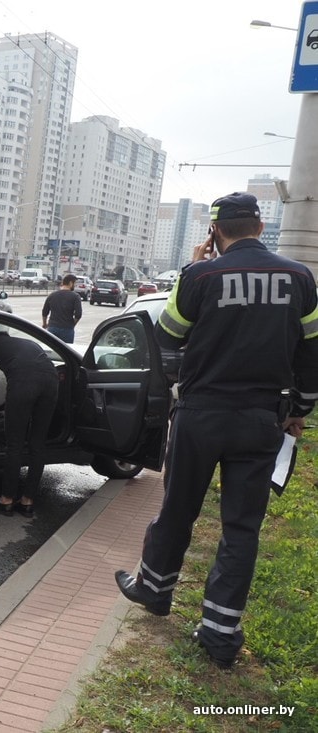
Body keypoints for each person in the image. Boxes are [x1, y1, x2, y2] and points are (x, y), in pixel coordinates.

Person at [114, 192, 318, 669]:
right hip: (262, 417)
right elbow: (312, 351)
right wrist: (301, 409)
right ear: (260, 225)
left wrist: (193, 268)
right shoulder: (300, 277)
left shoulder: (199, 276)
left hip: (202, 414)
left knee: (178, 508)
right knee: (241, 527)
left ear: (215, 231)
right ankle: (221, 633)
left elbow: (165, 337)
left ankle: (154, 589)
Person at [0, 330, 60, 517]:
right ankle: (27, 502)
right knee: (37, 445)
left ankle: (6, 500)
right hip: (51, 382)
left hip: (24, 383)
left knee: (14, 444)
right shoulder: (27, 343)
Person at [41, 273, 82, 343]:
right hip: (67, 329)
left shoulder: (52, 295)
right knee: (65, 351)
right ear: (70, 283)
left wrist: (45, 324)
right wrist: (72, 324)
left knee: (52, 349)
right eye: (74, 283)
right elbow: (78, 314)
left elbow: (45, 312)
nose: (75, 285)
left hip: (52, 328)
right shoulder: (75, 296)